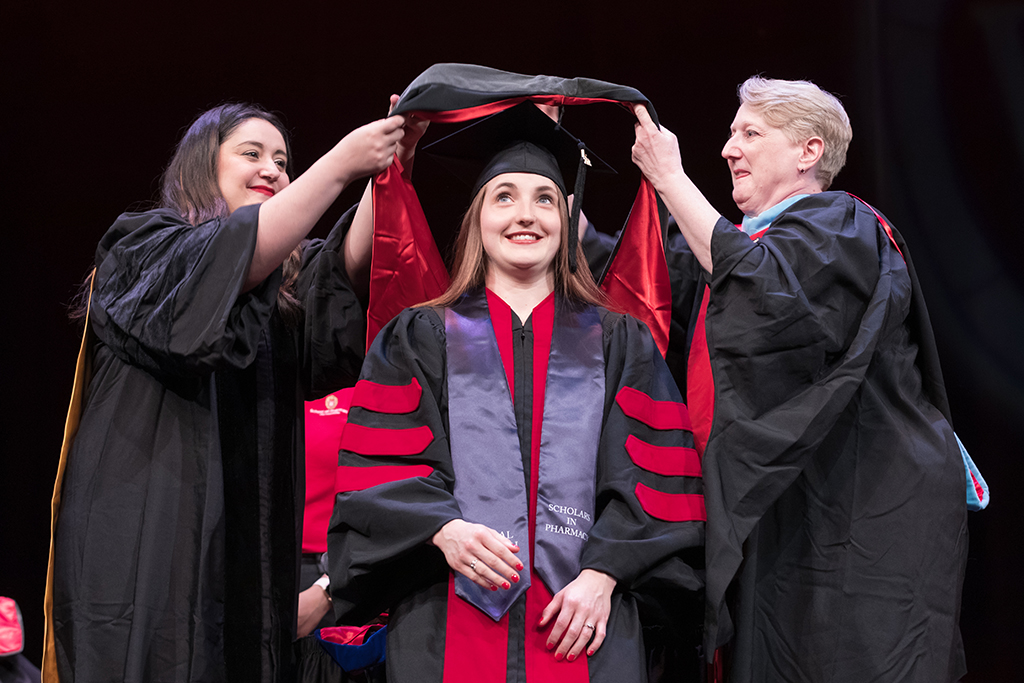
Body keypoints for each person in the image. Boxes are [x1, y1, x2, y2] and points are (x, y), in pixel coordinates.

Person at [326, 103, 705, 683]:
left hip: (587, 619)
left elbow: (660, 480)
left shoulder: (618, 340)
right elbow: (377, 465)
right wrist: (441, 528)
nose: (525, 215)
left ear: (566, 219)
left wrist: (604, 574)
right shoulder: (420, 336)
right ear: (477, 217)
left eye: (545, 199)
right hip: (445, 611)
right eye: (503, 196)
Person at [46, 102, 407, 683]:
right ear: (200, 167)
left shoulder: (273, 296)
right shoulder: (145, 251)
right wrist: (338, 165)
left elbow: (340, 273)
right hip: (149, 543)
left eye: (284, 162)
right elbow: (233, 256)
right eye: (251, 154)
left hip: (241, 558)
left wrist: (392, 166)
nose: (272, 169)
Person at [629, 76, 969, 681]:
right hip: (790, 511)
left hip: (864, 509)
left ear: (809, 152)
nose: (729, 149)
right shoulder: (742, 245)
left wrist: (671, 180)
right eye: (731, 134)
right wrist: (552, 185)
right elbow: (636, 286)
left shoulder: (843, 224)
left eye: (750, 134)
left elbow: (763, 292)